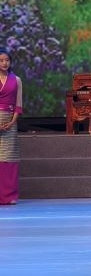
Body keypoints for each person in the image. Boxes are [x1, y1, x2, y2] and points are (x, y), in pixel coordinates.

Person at [0, 47, 23, 206]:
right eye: (1, 60)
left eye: (7, 60)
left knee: (9, 158)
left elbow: (18, 104)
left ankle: (9, 196)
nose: (4, 63)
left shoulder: (17, 80)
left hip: (10, 121)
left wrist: (12, 122)